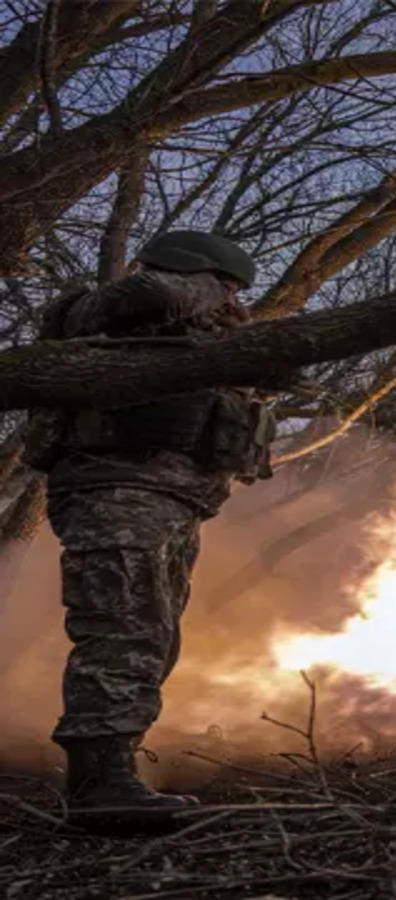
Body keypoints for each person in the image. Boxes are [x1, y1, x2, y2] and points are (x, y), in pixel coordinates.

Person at [22, 231, 278, 829]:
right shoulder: (114, 308)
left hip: (171, 500)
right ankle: (99, 788)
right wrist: (201, 289)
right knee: (123, 631)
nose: (232, 300)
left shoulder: (190, 336)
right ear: (200, 275)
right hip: (119, 490)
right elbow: (145, 293)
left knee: (153, 637)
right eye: (227, 287)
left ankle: (113, 772)